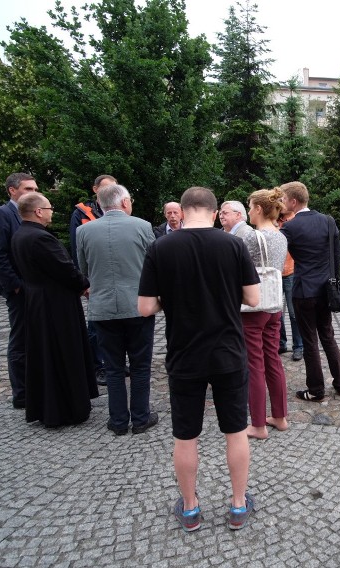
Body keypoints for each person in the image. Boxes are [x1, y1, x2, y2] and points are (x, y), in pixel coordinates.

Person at [138, 186, 260, 533]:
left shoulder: (160, 247)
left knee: (185, 436)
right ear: (213, 210)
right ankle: (237, 505)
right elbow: (252, 297)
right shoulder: (233, 244)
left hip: (184, 354)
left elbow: (145, 307)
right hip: (227, 353)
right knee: (235, 432)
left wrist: (170, 300)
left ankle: (190, 509)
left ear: (184, 210)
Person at [11, 192, 99, 427]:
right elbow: (65, 269)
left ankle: (48, 406)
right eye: (49, 208)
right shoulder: (41, 238)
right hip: (56, 304)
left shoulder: (20, 234)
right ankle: (68, 408)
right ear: (39, 211)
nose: (52, 213)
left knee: (45, 354)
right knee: (63, 352)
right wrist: (84, 285)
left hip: (38, 301)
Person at [76, 183, 158, 436]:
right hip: (138, 305)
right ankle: (141, 418)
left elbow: (83, 270)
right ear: (124, 203)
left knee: (112, 367)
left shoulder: (84, 231)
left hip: (102, 308)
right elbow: (155, 264)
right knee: (140, 365)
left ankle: (119, 420)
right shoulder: (142, 226)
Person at [278, 181, 340, 401]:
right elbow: (337, 257)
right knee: (328, 337)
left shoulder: (289, 227)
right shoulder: (328, 221)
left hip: (304, 291)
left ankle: (316, 390)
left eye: (282, 199)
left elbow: (278, 257)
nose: (280, 203)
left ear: (293, 201)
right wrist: (334, 283)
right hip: (327, 290)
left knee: (310, 342)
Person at [0, 173, 38, 409]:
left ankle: (34, 386)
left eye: (35, 188)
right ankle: (22, 393)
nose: (33, 192)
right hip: (20, 290)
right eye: (28, 189)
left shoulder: (27, 214)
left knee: (33, 338)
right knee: (20, 340)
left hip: (34, 289)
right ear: (12, 191)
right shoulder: (2, 214)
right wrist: (16, 285)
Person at [241, 188, 289, 440]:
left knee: (254, 363)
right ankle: (280, 417)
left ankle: (258, 425)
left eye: (250, 207)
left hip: (253, 307)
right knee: (273, 359)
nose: (249, 211)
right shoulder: (281, 237)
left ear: (259, 209)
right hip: (274, 306)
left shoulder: (252, 237)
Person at [69, 174, 117, 385]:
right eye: (106, 188)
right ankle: (97, 365)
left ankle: (114, 362)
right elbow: (77, 250)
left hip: (117, 276)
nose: (110, 191)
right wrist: (83, 281)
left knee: (116, 324)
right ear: (95, 189)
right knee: (95, 325)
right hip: (96, 278)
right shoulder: (82, 214)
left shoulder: (118, 212)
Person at [277, 208, 303, 361]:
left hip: (292, 271)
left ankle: (299, 346)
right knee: (276, 312)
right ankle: (281, 343)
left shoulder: (296, 220)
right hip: (275, 272)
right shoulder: (273, 221)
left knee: (294, 313)